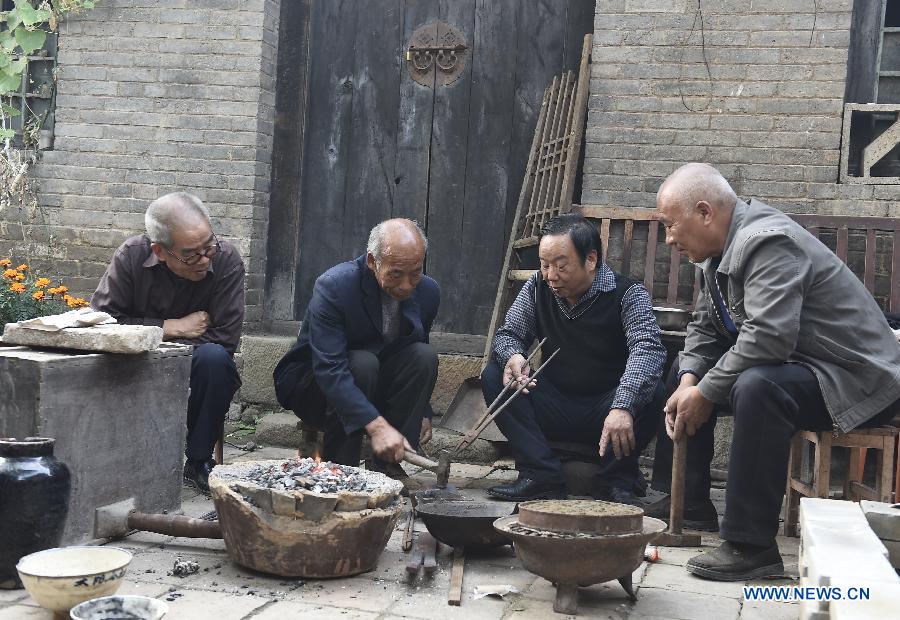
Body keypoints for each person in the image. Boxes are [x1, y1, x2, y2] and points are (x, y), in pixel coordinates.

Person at [650, 163, 900, 581]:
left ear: (705, 212)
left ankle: (751, 547)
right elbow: (704, 328)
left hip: (858, 379)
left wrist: (707, 392)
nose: (670, 238)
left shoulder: (767, 243)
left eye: (672, 226)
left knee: (759, 386)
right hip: (807, 369)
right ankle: (689, 503)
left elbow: (769, 337)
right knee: (682, 368)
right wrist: (692, 379)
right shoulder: (716, 255)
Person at [481, 214, 666, 505]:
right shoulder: (538, 287)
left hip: (607, 409)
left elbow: (647, 349)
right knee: (495, 376)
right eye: (544, 265)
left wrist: (623, 405)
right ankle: (540, 475)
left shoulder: (628, 294)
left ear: (590, 259)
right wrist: (514, 356)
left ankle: (615, 480)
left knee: (654, 389)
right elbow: (507, 335)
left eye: (560, 265)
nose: (550, 275)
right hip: (554, 405)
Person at [92, 192, 245, 494]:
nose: (204, 258)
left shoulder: (226, 261)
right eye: (191, 254)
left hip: (196, 360)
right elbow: (102, 324)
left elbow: (225, 338)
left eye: (209, 245)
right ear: (160, 251)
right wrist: (169, 328)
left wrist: (157, 336)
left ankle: (198, 460)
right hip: (134, 359)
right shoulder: (131, 257)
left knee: (216, 361)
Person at [273, 219, 440, 486]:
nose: (406, 285)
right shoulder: (335, 286)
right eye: (396, 274)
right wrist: (378, 427)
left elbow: (413, 349)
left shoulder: (428, 292)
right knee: (362, 363)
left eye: (415, 273)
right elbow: (330, 369)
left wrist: (423, 411)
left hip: (372, 382)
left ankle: (387, 465)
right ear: (373, 262)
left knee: (423, 356)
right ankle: (341, 471)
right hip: (316, 385)